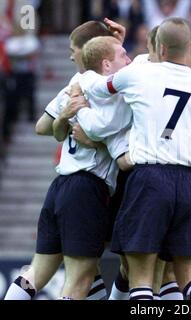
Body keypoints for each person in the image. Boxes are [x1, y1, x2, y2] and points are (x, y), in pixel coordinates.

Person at [86, 17, 191, 300]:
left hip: (149, 177)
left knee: (142, 278)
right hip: (190, 182)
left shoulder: (138, 74)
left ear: (159, 48)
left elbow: (98, 88)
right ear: (189, 47)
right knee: (190, 276)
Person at [4, 20, 129, 300]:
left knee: (37, 272)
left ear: (90, 50)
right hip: (87, 188)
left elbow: (43, 127)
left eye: (75, 49)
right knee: (79, 279)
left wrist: (64, 118)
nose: (72, 56)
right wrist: (94, 138)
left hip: (60, 186)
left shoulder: (75, 84)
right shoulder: (116, 91)